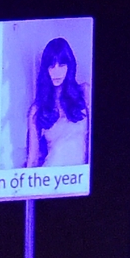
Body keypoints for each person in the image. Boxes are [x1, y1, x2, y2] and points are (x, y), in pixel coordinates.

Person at [21, 37, 89, 168]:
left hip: (81, 179)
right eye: (51, 66)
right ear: (46, 69)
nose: (56, 71)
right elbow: (33, 159)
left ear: (69, 66)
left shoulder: (85, 92)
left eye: (62, 65)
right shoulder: (37, 108)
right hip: (52, 177)